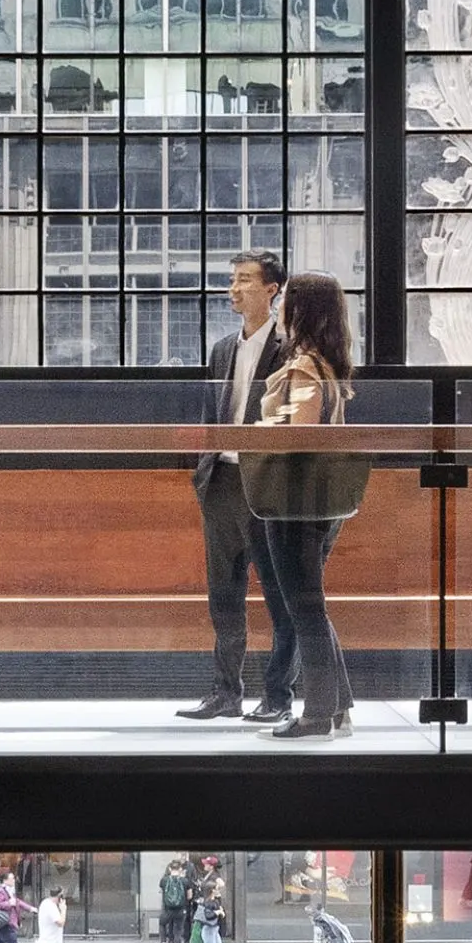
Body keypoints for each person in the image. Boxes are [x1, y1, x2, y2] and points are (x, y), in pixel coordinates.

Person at [178, 253, 296, 723]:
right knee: (222, 594)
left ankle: (279, 697)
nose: (234, 288)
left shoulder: (290, 349)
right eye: (232, 280)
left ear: (272, 289)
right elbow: (212, 414)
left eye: (245, 280)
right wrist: (203, 470)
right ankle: (226, 693)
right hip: (221, 481)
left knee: (277, 595)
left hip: (265, 486)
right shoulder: (222, 349)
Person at [254, 271, 359, 740]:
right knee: (312, 605)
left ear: (298, 310)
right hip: (320, 503)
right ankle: (337, 708)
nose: (278, 309)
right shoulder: (328, 364)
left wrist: (258, 435)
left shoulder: (304, 368)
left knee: (304, 608)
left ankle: (318, 714)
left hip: (294, 501)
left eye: (284, 302)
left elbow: (298, 433)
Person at [186, 876, 228, 943]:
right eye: (217, 889)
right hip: (209, 929)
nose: (218, 891)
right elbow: (208, 916)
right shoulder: (208, 903)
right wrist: (217, 912)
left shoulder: (214, 901)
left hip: (214, 929)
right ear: (212, 891)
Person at [156, 856, 193, 943]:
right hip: (180, 911)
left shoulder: (164, 880)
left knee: (162, 925)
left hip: (167, 910)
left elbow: (161, 892)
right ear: (180, 869)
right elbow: (190, 896)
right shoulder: (185, 881)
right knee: (178, 931)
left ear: (170, 869)